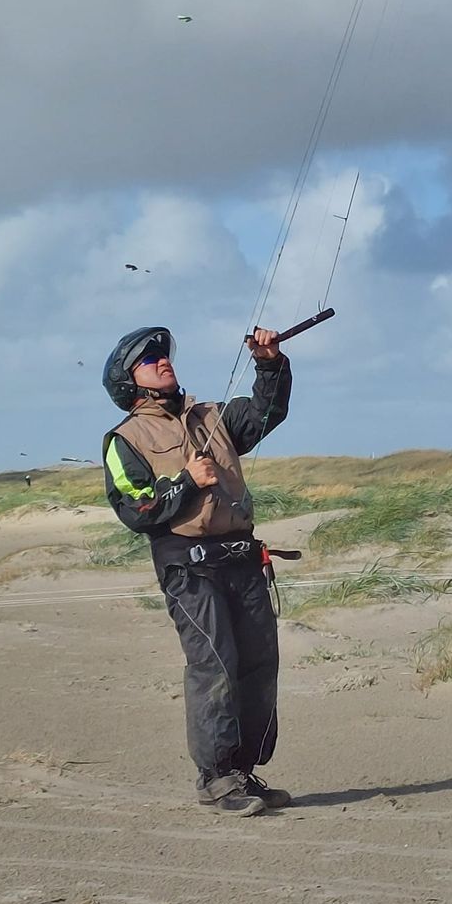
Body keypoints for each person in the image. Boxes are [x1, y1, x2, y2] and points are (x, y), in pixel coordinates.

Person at [102, 325, 292, 817]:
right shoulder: (125, 439)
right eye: (149, 360)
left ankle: (244, 771)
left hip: (243, 560)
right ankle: (216, 778)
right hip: (188, 569)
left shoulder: (213, 415)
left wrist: (269, 363)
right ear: (129, 381)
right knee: (215, 664)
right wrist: (186, 481)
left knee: (258, 663)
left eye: (164, 354)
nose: (162, 360)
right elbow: (136, 509)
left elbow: (267, 412)